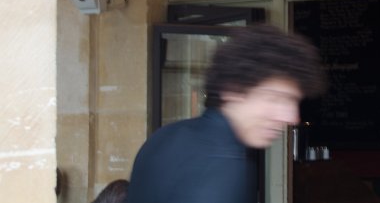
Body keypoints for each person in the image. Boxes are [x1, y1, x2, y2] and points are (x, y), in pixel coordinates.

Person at [126, 25, 325, 203]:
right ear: (233, 89)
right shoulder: (224, 165)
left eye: (293, 101)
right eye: (275, 98)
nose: (291, 117)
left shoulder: (164, 136)